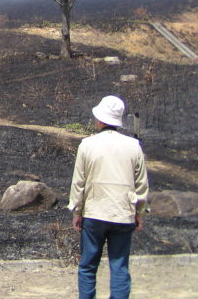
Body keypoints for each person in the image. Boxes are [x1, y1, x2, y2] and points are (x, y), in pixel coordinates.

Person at [68, 95, 149, 299]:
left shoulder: (87, 144)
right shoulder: (133, 146)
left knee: (87, 266)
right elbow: (141, 184)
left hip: (94, 213)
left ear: (101, 120)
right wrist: (139, 212)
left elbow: (79, 182)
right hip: (123, 214)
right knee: (120, 266)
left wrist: (77, 211)